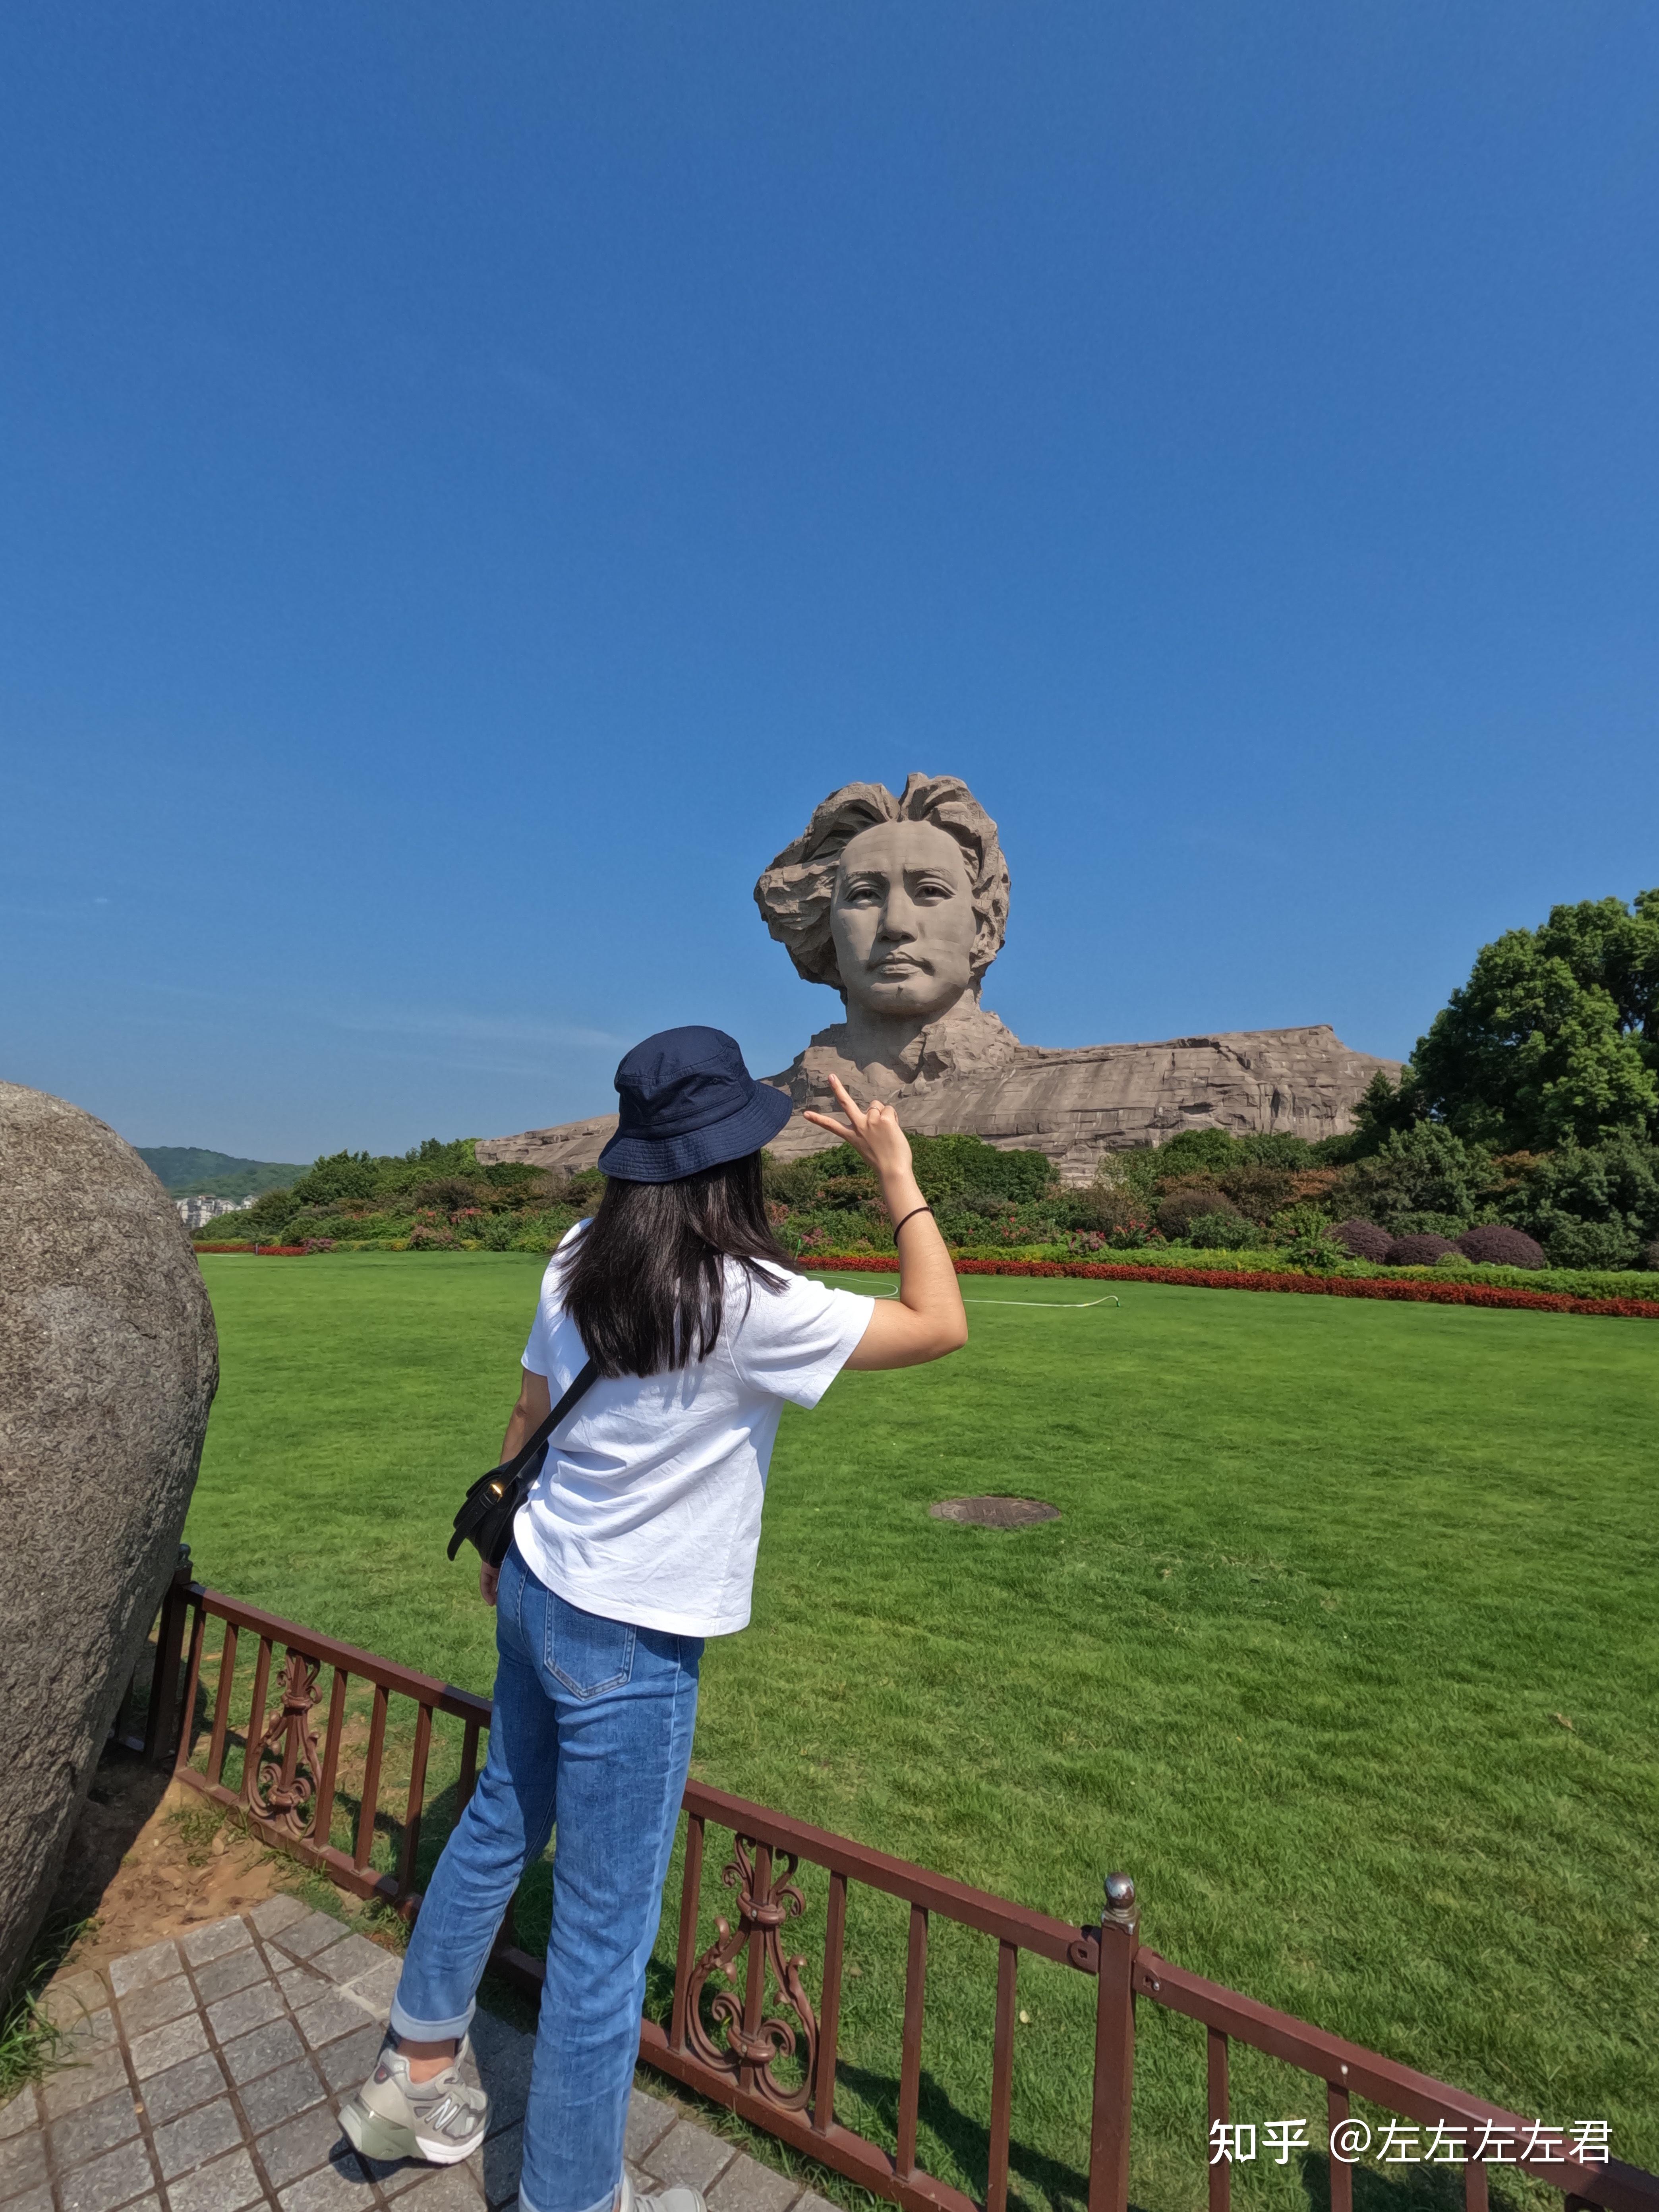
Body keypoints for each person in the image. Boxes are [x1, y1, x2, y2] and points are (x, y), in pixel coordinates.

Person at [341, 1026, 967, 2212]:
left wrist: (506, 1555)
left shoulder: (581, 1249)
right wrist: (896, 1172)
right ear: (732, 1157)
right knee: (601, 1938)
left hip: (538, 1582)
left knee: (496, 1822)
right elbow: (938, 1322)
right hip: (628, 1638)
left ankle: (412, 2076)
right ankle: (573, 2197)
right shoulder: (750, 1299)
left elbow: (526, 1409)